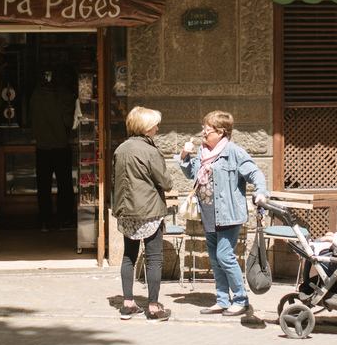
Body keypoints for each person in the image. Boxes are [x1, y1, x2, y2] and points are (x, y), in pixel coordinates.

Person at [178, 110, 267, 317]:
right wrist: (184, 156)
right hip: (209, 213)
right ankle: (222, 299)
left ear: (221, 132)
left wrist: (261, 192)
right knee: (215, 258)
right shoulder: (202, 152)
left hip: (228, 213)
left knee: (224, 256)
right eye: (203, 128)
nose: (203, 133)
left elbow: (255, 173)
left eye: (207, 130)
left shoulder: (233, 152)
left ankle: (241, 299)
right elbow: (191, 173)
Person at [113, 106, 172, 321]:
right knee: (154, 258)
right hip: (149, 211)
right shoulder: (150, 151)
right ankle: (154, 307)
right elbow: (165, 182)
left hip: (127, 211)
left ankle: (127, 303)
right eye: (155, 124)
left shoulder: (120, 149)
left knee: (129, 256)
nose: (157, 127)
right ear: (146, 128)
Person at [28, 68, 77, 232]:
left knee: (43, 185)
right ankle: (65, 218)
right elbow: (69, 121)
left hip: (42, 146)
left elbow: (30, 119)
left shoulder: (35, 95)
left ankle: (44, 220)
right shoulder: (63, 95)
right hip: (61, 145)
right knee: (64, 184)